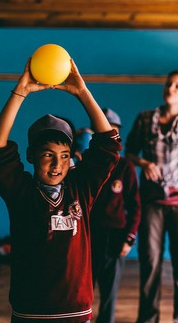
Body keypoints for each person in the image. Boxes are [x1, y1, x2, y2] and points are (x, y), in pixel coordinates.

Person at [0, 58, 122, 323]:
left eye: (64, 155)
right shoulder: (20, 191)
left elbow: (109, 142)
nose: (57, 163)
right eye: (48, 154)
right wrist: (20, 92)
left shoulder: (81, 189)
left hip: (76, 310)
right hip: (30, 310)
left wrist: (82, 92)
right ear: (31, 156)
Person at [125, 70, 178, 323]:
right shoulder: (145, 119)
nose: (171, 88)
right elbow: (129, 153)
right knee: (150, 264)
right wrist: (144, 163)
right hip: (151, 203)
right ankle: (148, 320)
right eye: (169, 83)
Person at [89, 108, 141, 323]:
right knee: (84, 291)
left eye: (113, 131)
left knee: (109, 293)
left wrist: (129, 238)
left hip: (115, 236)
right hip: (90, 236)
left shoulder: (125, 167)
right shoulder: (88, 164)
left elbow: (135, 207)